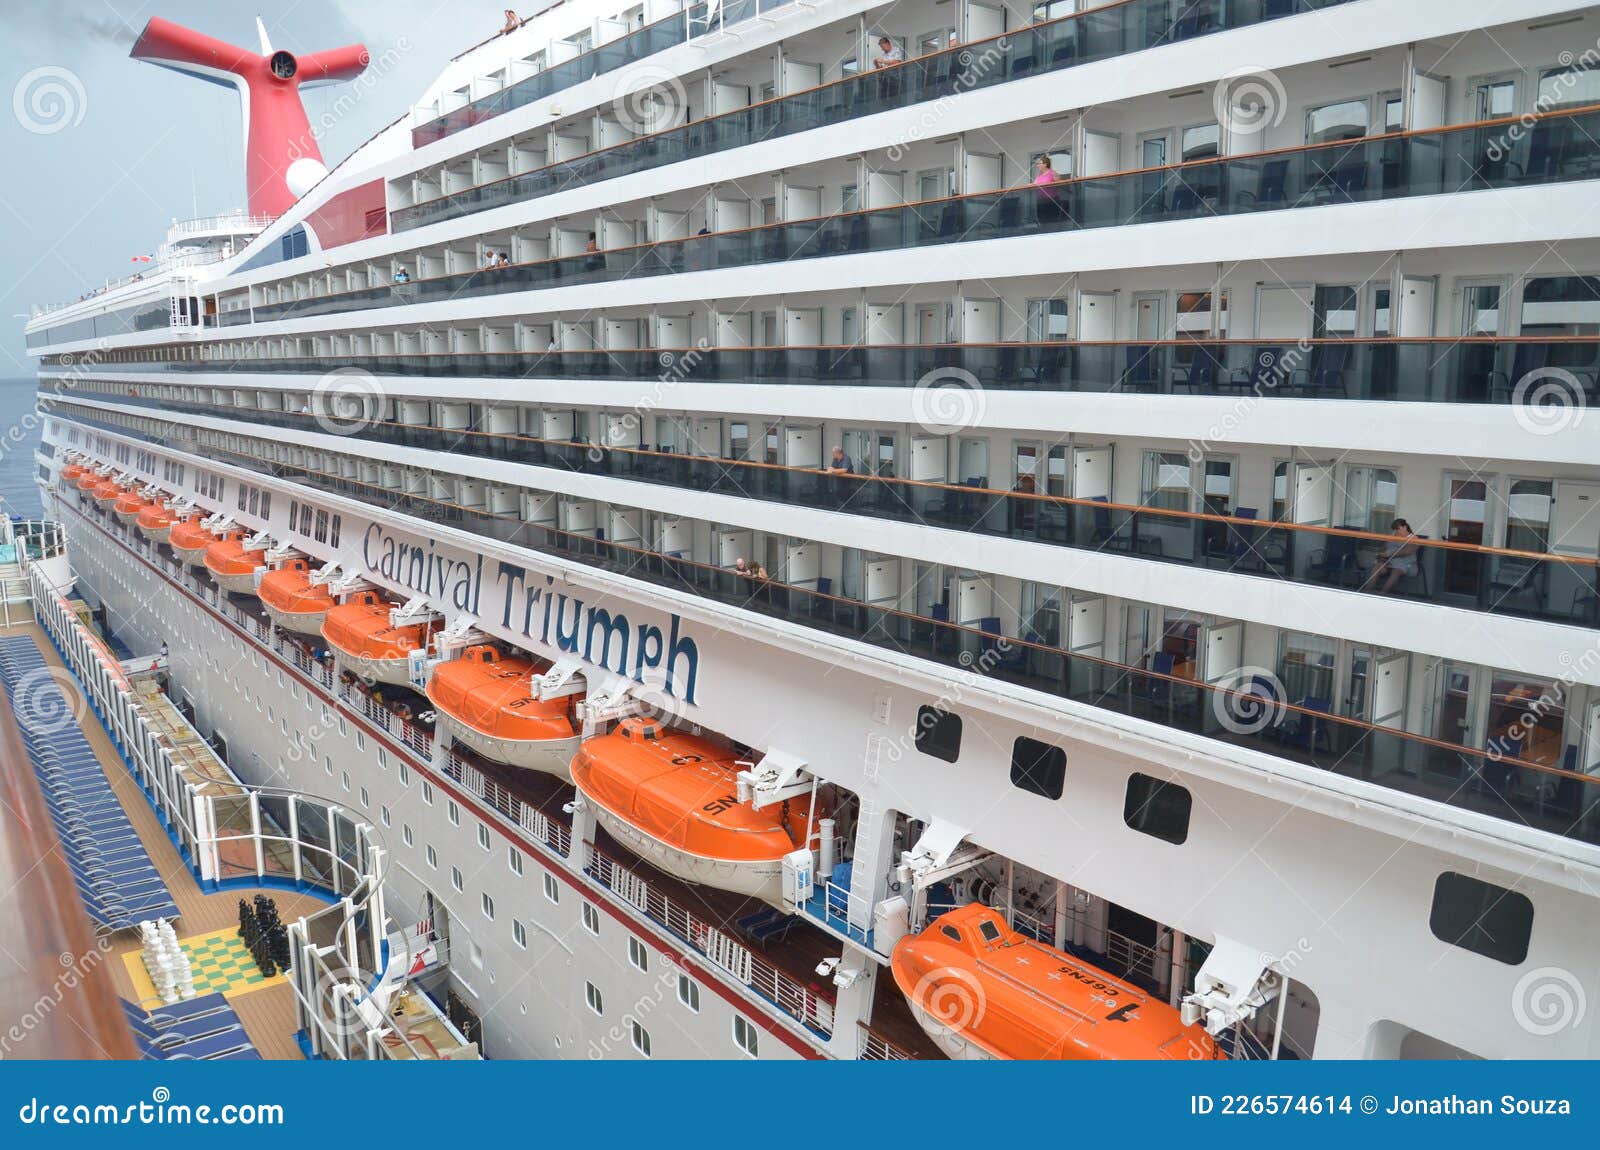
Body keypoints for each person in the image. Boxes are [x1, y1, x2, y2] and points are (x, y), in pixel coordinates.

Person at [1362, 518, 1420, 594]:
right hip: (1390, 563)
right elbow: (1383, 548)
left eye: (1398, 529)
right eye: (1395, 530)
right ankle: (1367, 591)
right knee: (1378, 567)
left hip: (1406, 565)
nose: (1396, 532)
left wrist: (1390, 554)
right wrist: (1382, 554)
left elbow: (1407, 552)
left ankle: (1383, 593)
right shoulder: (1393, 536)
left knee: (1396, 571)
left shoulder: (1414, 538)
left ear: (1405, 527)